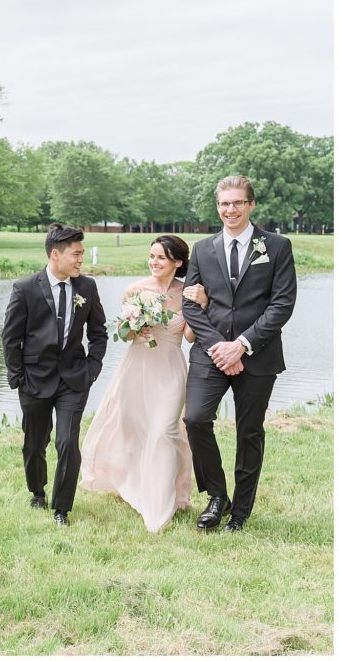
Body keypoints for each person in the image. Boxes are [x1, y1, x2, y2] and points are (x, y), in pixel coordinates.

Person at [182, 175, 297, 532]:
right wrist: (221, 347)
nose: (229, 210)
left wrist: (241, 345)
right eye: (223, 204)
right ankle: (217, 496)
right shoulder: (201, 249)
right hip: (211, 353)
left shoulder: (276, 246)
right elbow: (190, 305)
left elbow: (282, 304)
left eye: (237, 203)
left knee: (250, 432)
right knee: (195, 419)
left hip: (257, 354)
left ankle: (241, 512)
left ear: (251, 205)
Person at [79, 236, 209, 532]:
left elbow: (189, 337)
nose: (153, 262)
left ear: (177, 262)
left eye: (161, 257)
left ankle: (161, 503)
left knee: (165, 431)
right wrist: (135, 326)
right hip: (136, 368)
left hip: (170, 368)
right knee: (136, 430)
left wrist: (203, 304)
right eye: (151, 256)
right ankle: (137, 484)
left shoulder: (186, 293)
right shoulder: (134, 290)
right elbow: (124, 336)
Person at [2, 223, 108, 527]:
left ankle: (62, 508)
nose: (80, 260)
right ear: (55, 254)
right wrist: (17, 377)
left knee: (66, 441)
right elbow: (11, 338)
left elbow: (98, 332)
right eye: (76, 254)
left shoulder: (86, 287)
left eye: (82, 254)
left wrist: (93, 367)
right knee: (35, 443)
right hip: (34, 379)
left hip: (74, 378)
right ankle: (37, 491)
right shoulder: (25, 288)